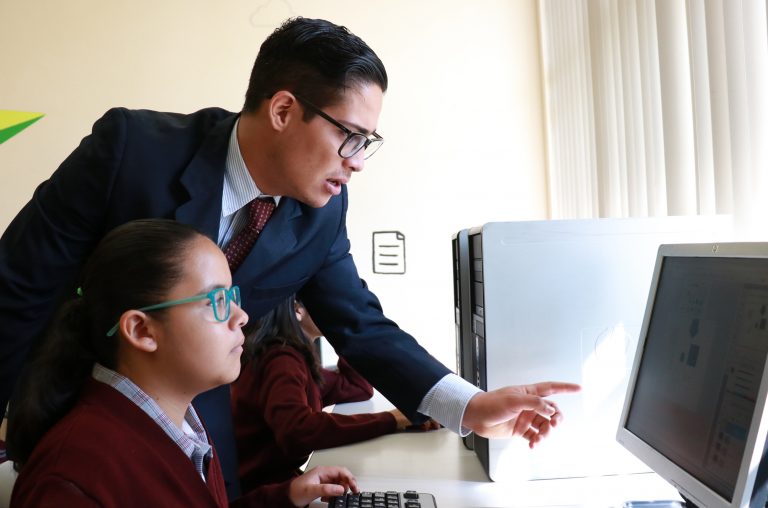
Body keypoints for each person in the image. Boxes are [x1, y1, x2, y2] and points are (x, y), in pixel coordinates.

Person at [0, 16, 580, 498]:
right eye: (350, 137)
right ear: (283, 110)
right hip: (86, 408)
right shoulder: (131, 151)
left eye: (368, 145)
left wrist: (469, 405)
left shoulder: (322, 214)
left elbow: (361, 324)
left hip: (203, 422)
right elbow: (19, 287)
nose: (357, 162)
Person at [6, 219, 357, 507]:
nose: (242, 316)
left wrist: (285, 496)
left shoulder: (180, 423)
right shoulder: (73, 479)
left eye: (232, 297)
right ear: (142, 330)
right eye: (217, 300)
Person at [232, 295, 439, 492]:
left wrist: (345, 334)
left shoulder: (296, 357)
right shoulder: (281, 359)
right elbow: (298, 431)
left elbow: (357, 387)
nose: (334, 309)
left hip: (276, 486)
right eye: (326, 301)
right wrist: (391, 419)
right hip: (260, 495)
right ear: (297, 308)